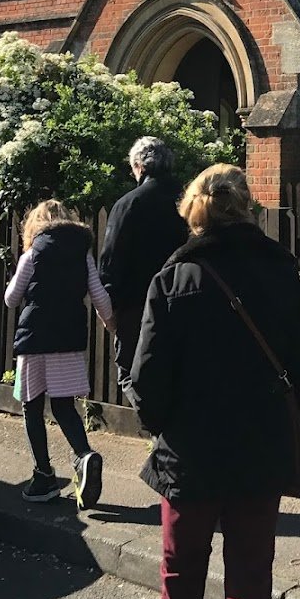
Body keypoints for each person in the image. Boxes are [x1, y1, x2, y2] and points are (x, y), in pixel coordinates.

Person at [131, 165, 300, 599]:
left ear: (194, 212)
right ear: (247, 208)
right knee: (250, 582)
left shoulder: (174, 278)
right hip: (260, 449)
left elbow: (147, 378)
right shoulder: (282, 270)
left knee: (180, 576)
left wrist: (163, 426)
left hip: (191, 453)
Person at [4, 199, 115, 506]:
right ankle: (84, 454)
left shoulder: (35, 251)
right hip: (68, 338)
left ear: (35, 224)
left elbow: (12, 298)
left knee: (32, 406)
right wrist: (111, 324)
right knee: (64, 406)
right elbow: (99, 295)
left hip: (35, 337)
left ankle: (43, 476)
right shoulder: (83, 252)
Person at [98, 136, 187, 405]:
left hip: (137, 305)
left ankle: (158, 435)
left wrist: (109, 309)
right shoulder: (188, 201)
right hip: (184, 301)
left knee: (131, 373)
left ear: (139, 166)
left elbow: (111, 261)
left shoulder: (129, 204)